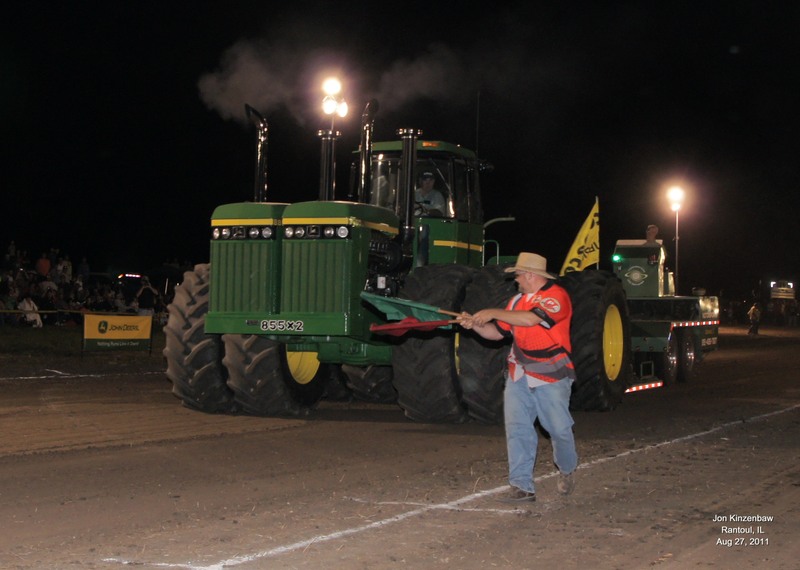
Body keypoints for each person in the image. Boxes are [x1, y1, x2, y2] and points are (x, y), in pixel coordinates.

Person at [458, 252, 578, 502]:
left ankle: (567, 469)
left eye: (519, 275)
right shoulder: (515, 302)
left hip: (552, 375)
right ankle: (522, 485)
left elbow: (531, 319)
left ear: (531, 275)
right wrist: (475, 325)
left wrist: (492, 311)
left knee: (558, 429)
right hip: (519, 373)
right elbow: (496, 334)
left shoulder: (557, 297)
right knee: (518, 429)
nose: (516, 281)